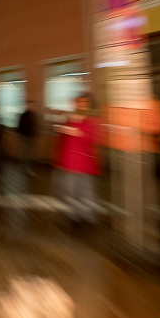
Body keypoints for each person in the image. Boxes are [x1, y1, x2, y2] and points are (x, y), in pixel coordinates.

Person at [54, 94, 101, 223]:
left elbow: (94, 138)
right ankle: (74, 215)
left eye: (83, 103)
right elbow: (63, 141)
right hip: (69, 161)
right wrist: (59, 159)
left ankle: (89, 215)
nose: (79, 105)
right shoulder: (70, 118)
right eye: (78, 103)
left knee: (86, 190)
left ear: (88, 104)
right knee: (70, 190)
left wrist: (77, 131)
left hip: (84, 162)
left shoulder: (92, 119)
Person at [18, 100, 38, 176]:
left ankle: (24, 166)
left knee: (27, 153)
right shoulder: (25, 115)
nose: (30, 106)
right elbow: (20, 127)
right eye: (29, 105)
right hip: (25, 137)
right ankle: (25, 167)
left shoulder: (31, 115)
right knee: (27, 153)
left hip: (29, 137)